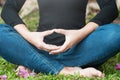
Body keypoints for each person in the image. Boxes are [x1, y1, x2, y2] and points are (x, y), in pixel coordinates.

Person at [0, 0, 119, 78]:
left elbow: (110, 8)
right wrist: (29, 36)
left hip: (78, 47)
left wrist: (80, 34)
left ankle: (36, 63)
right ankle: (65, 70)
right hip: (39, 47)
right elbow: (8, 9)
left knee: (115, 33)